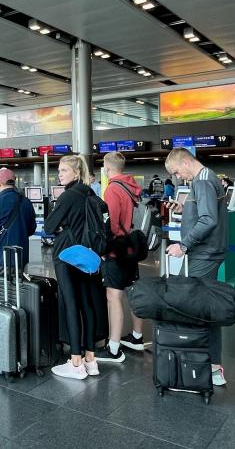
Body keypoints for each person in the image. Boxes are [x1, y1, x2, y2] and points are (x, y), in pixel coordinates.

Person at [164, 148, 229, 387]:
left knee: (201, 309)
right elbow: (205, 213)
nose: (178, 177)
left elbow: (208, 220)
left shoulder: (202, 182)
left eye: (177, 171)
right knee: (203, 307)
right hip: (207, 252)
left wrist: (184, 244)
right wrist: (185, 208)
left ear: (185, 162)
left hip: (204, 253)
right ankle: (209, 364)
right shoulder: (207, 178)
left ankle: (211, 366)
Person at [44, 154, 107, 380]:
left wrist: (62, 228)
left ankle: (76, 360)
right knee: (87, 305)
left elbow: (49, 226)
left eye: (63, 170)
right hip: (88, 255)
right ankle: (91, 359)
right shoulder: (90, 193)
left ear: (76, 173)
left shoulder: (68, 196)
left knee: (70, 304)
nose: (59, 174)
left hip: (68, 255)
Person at [96, 152, 145, 363]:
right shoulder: (132, 187)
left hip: (117, 250)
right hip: (132, 249)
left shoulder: (113, 189)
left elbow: (112, 224)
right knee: (133, 292)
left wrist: (104, 249)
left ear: (107, 169)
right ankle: (137, 337)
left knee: (113, 297)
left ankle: (114, 348)